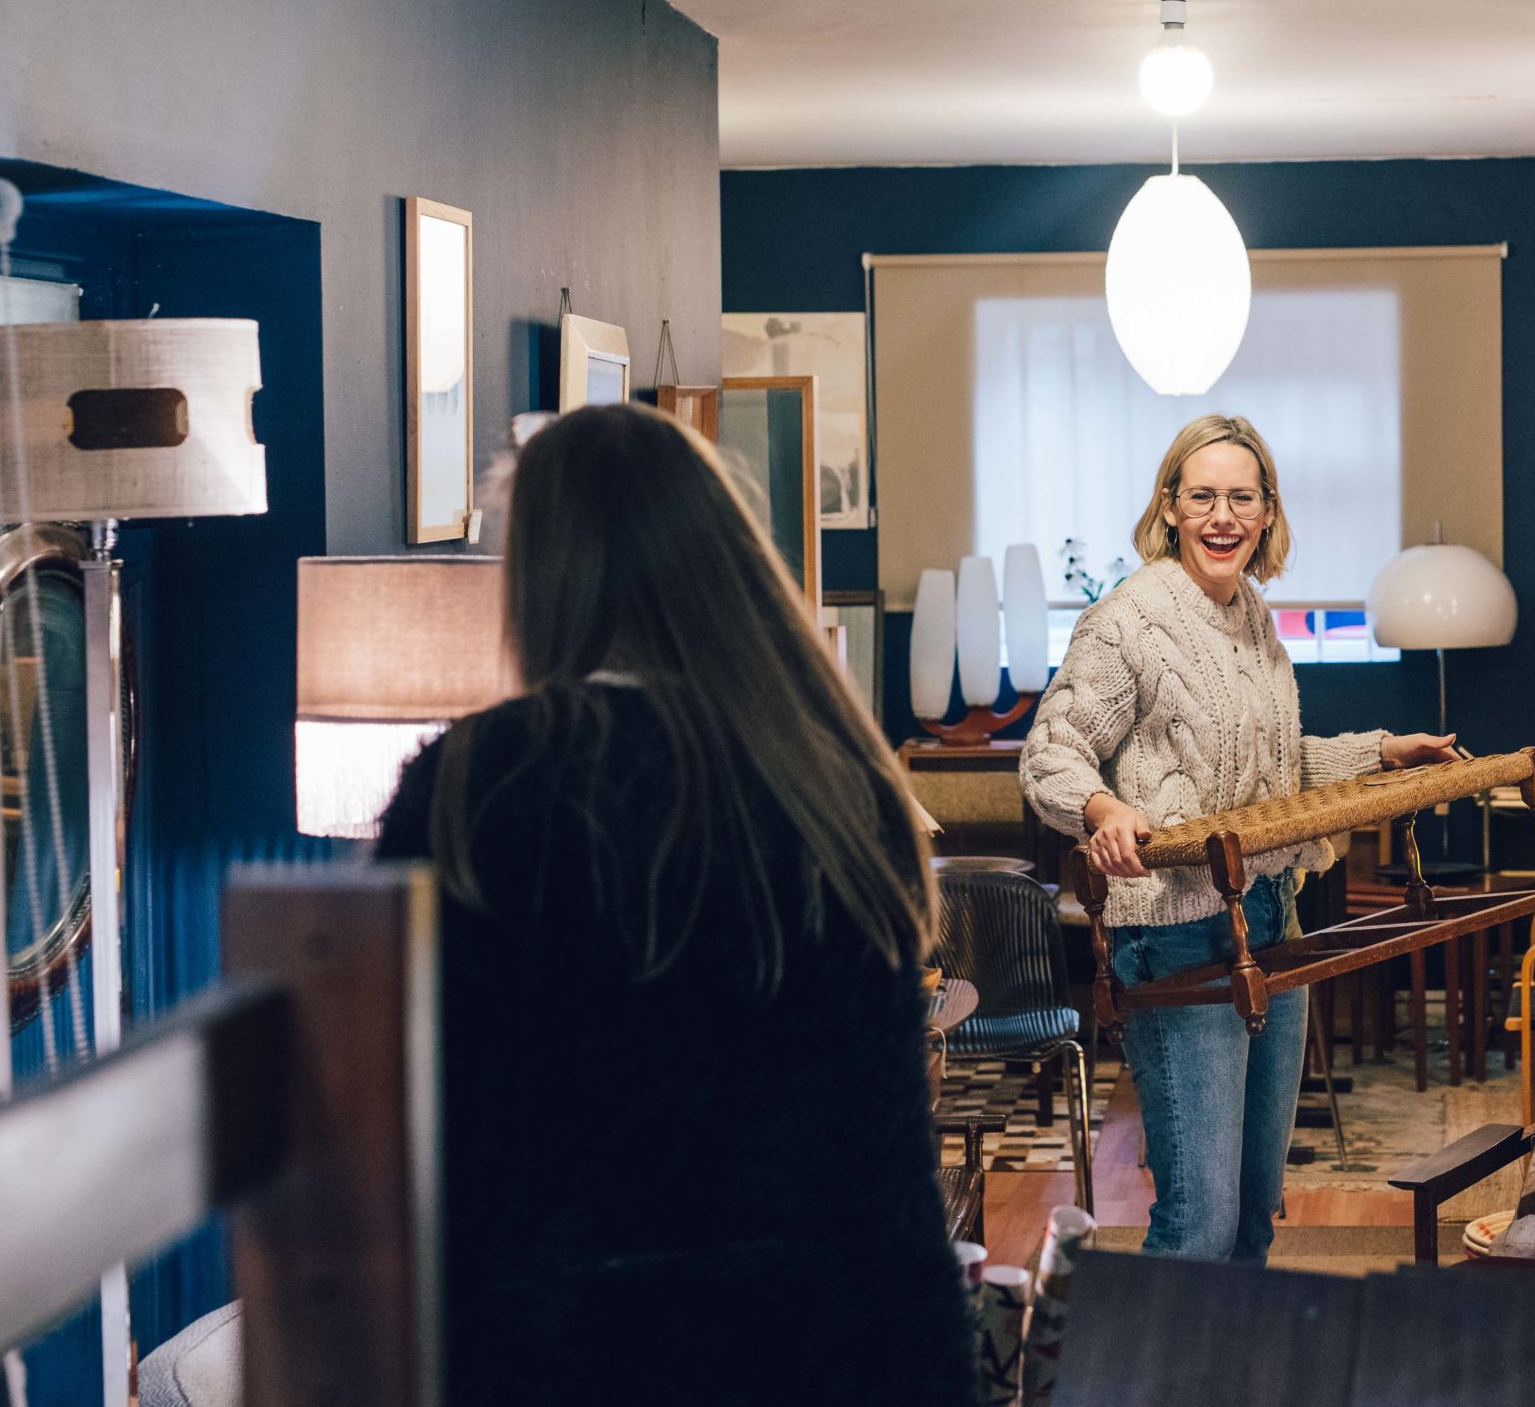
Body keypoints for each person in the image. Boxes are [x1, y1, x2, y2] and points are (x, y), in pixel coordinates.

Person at [376, 404, 974, 1407]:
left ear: (544, 574)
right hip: (826, 1341)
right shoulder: (833, 781)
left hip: (564, 1346)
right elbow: (885, 1172)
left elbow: (413, 1121)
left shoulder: (481, 785)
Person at [1019, 413, 1455, 1262]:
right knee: (1201, 1219)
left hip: (1268, 923)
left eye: (1241, 498)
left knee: (1256, 1210)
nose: (1223, 515)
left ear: (1266, 512)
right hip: (1173, 935)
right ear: (1171, 508)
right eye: (1204, 496)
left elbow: (1276, 767)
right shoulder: (1129, 620)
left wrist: (1381, 752)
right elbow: (1050, 753)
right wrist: (1105, 812)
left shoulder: (1255, 617)